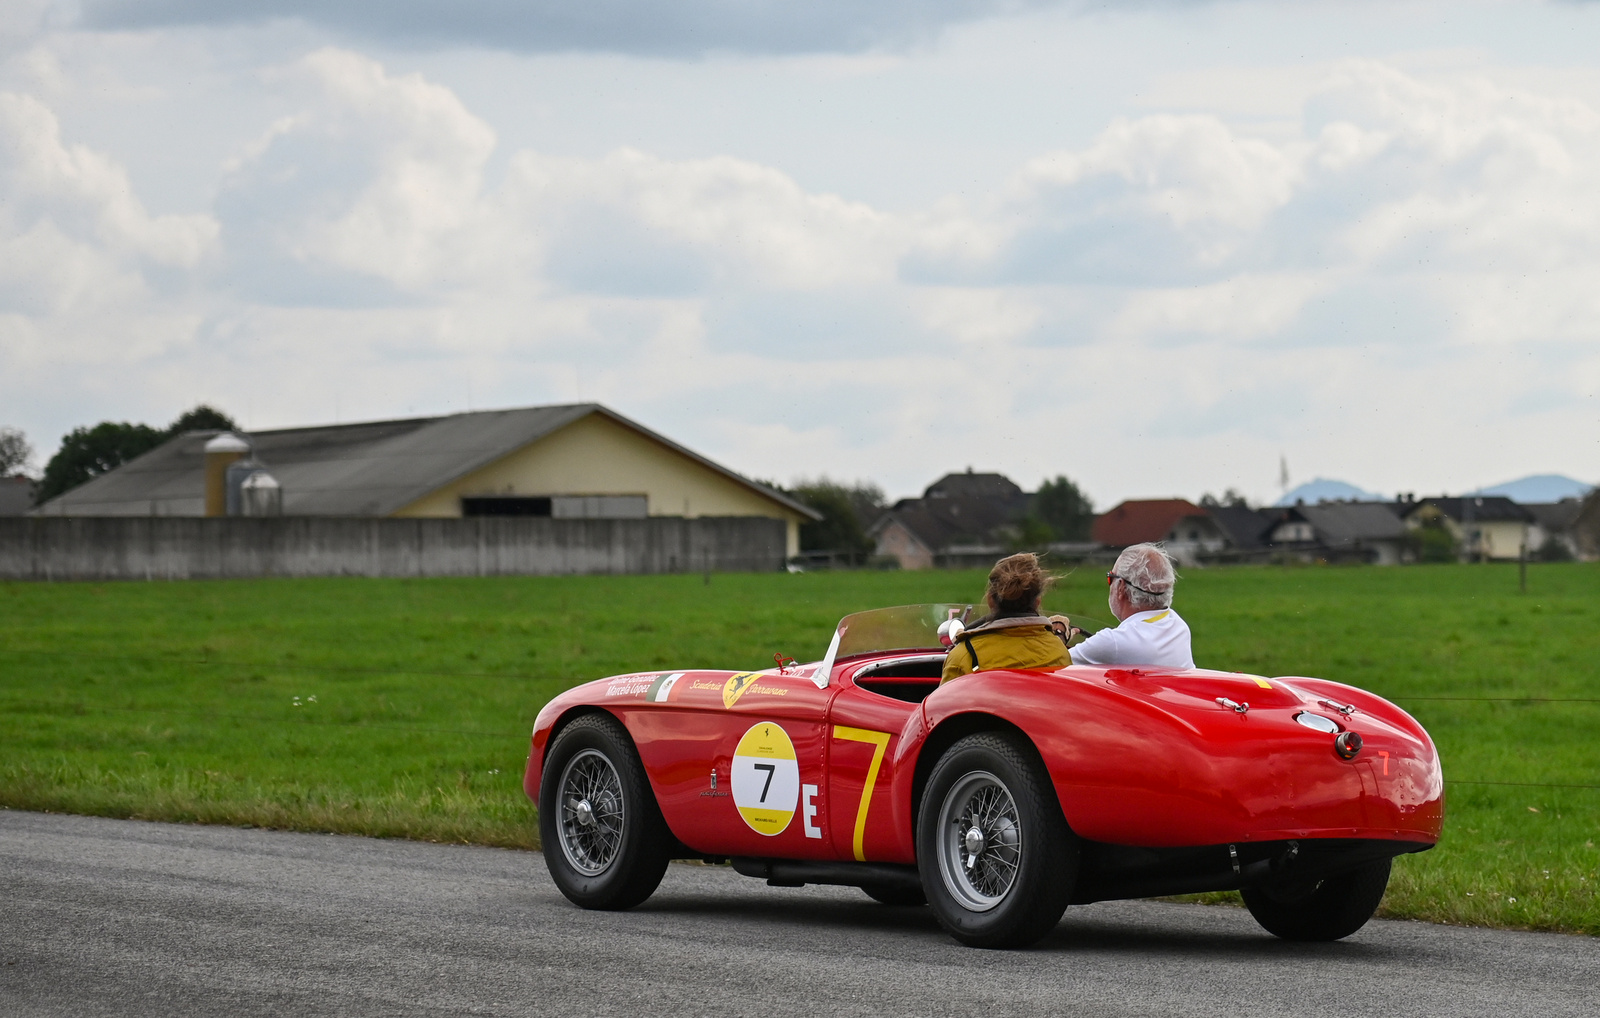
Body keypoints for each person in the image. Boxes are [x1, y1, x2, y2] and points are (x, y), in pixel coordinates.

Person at [1054, 543, 1193, 669]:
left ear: (1121, 588)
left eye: (1110, 578)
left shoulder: (1113, 643)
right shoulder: (1179, 627)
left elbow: (1051, 664)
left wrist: (1057, 635)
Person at [941, 552, 1072, 682]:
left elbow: (944, 702)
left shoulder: (964, 656)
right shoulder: (1058, 652)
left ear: (990, 600)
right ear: (1037, 602)